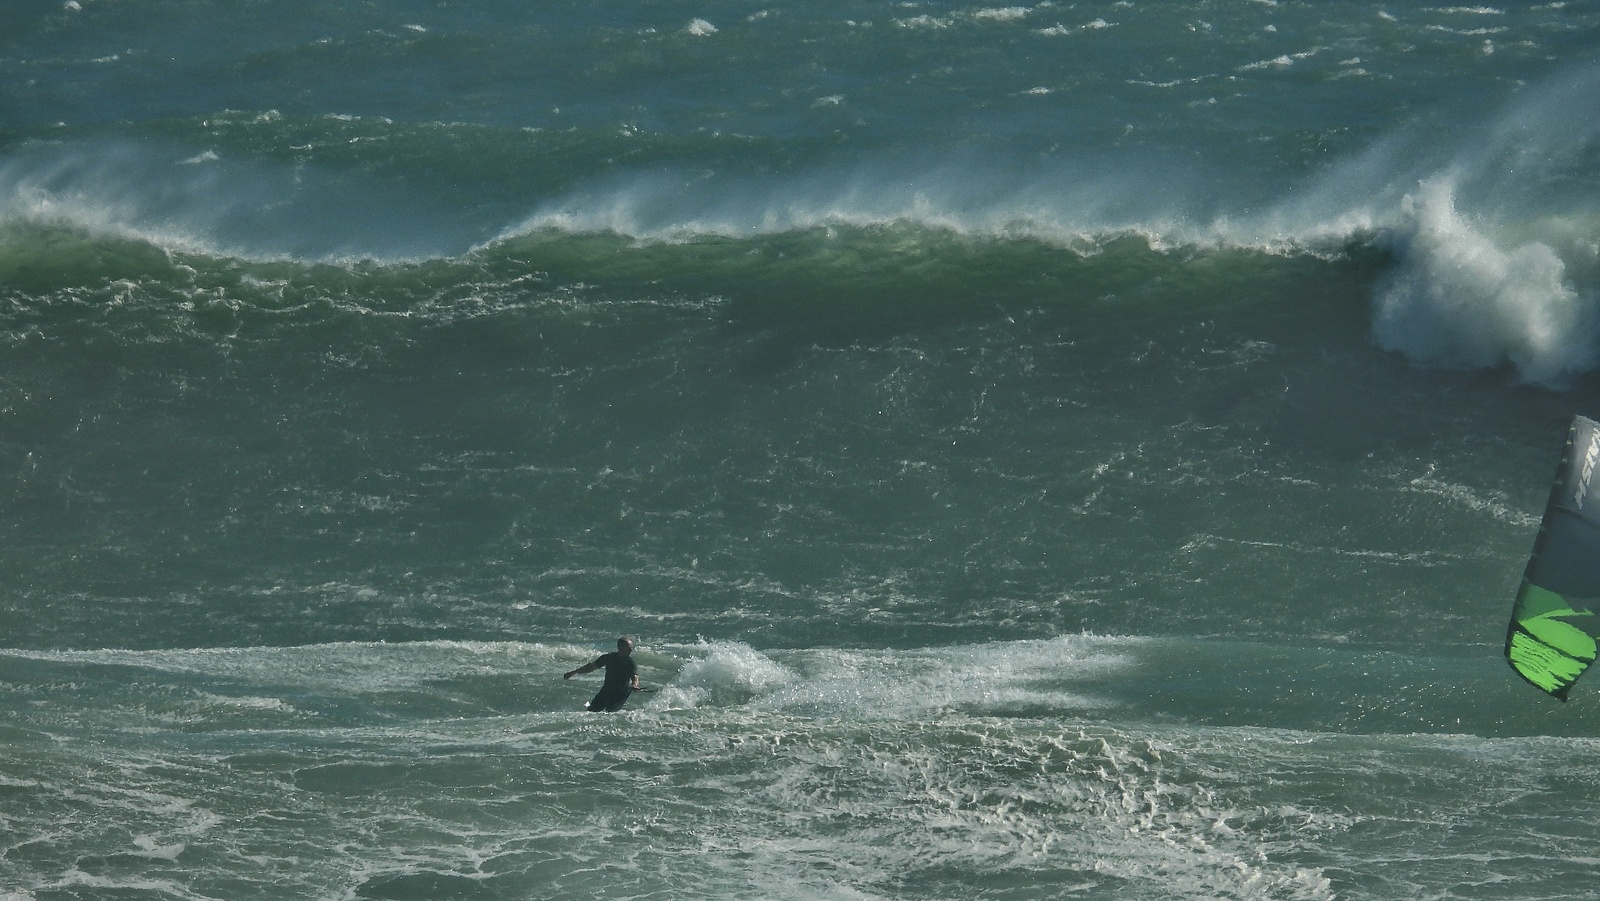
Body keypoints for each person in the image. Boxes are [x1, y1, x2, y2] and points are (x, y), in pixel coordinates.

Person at [563, 636, 641, 711]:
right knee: (591, 711)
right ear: (620, 647)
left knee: (610, 713)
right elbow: (591, 667)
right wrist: (574, 672)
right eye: (629, 648)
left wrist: (635, 685)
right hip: (607, 690)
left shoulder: (630, 662)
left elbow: (634, 676)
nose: (631, 650)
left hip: (621, 693)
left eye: (631, 648)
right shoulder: (609, 658)